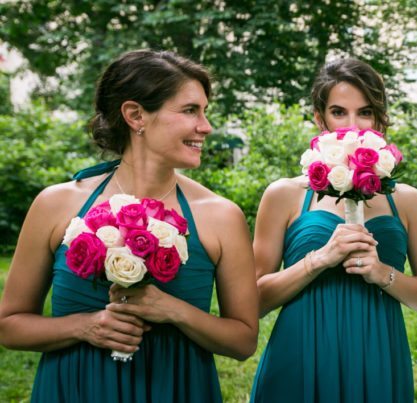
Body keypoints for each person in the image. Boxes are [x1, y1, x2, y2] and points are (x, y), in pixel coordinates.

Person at [0, 49, 258, 401]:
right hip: (76, 389)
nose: (206, 126)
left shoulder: (220, 216)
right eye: (189, 110)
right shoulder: (55, 204)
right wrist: (86, 327)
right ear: (136, 115)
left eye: (204, 111)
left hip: (176, 390)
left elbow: (243, 341)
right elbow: (9, 326)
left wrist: (174, 311)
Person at [249, 58, 417, 402]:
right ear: (319, 118)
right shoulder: (284, 195)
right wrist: (319, 259)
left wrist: (382, 273)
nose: (353, 127)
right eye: (339, 112)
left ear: (380, 119)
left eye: (365, 113)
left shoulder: (409, 201)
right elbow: (252, 302)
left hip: (378, 355)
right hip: (302, 354)